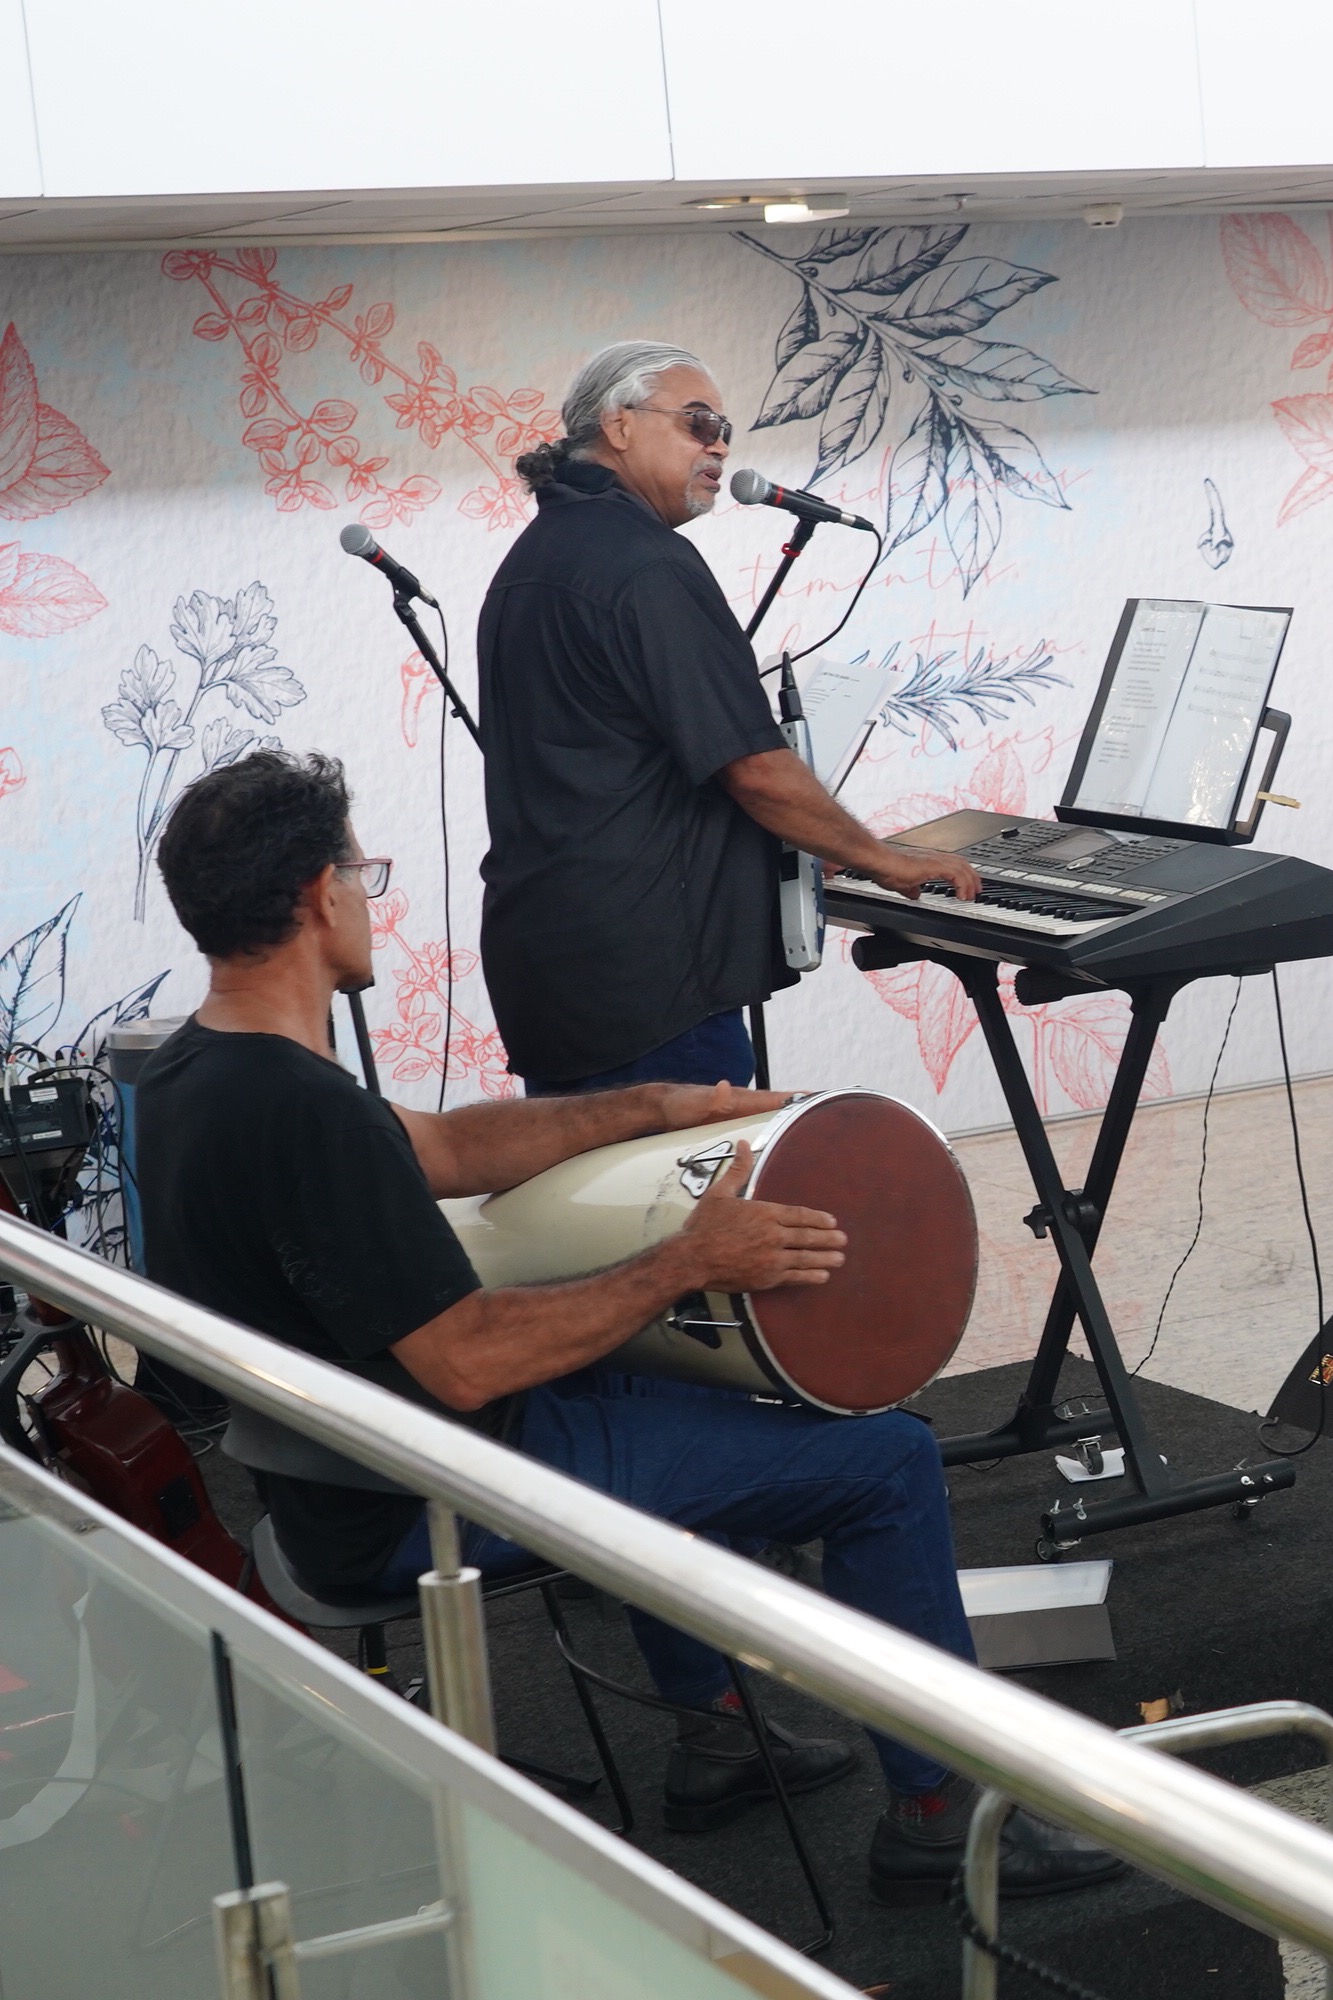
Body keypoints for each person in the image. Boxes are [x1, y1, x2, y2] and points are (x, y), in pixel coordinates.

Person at [135, 752, 1122, 1904]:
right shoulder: (305, 1112)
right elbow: (468, 1359)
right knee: (888, 1462)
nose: (367, 895)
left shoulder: (194, 1074)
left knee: (668, 1389)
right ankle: (941, 1819)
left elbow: (445, 1146)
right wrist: (687, 1262)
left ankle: (718, 1735)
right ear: (319, 894)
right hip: (423, 1496)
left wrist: (657, 1107)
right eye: (362, 872)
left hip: (336, 1488)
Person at [478, 341, 979, 1094]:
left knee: (590, 1173)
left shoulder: (533, 559)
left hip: (552, 967)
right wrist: (884, 859)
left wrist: (811, 836)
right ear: (618, 425)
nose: (718, 445)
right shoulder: (646, 565)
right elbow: (753, 768)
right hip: (651, 979)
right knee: (687, 1176)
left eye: (725, 430)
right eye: (698, 422)